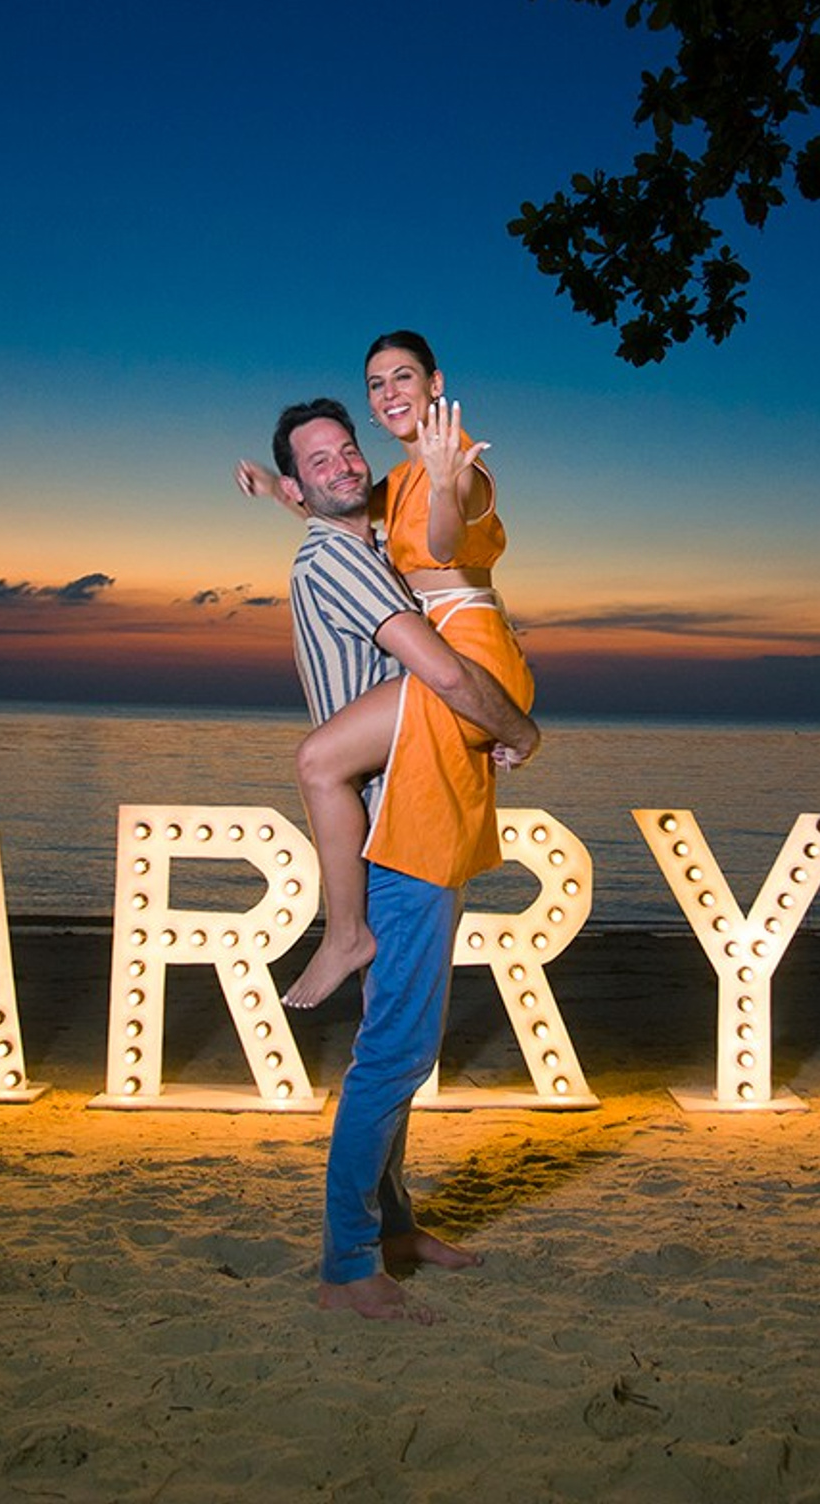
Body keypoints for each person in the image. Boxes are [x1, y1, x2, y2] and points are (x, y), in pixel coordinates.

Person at [269, 397, 540, 1321]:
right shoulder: (342, 560)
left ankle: (391, 1228)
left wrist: (278, 491)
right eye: (318, 461)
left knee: (392, 1048)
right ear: (304, 483)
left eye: (348, 450)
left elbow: (352, 515)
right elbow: (447, 673)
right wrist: (520, 732)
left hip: (410, 812)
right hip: (401, 827)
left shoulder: (357, 545)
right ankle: (348, 1266)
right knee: (394, 1055)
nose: (344, 465)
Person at [237, 332, 534, 1008]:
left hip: (466, 651)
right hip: (445, 649)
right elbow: (335, 505)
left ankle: (346, 936)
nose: (391, 392)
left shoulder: (456, 464)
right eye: (377, 383)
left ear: (436, 384)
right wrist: (276, 489)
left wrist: (445, 479)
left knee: (319, 760)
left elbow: (442, 543)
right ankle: (353, 937)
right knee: (331, 766)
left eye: (404, 376)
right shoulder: (397, 481)